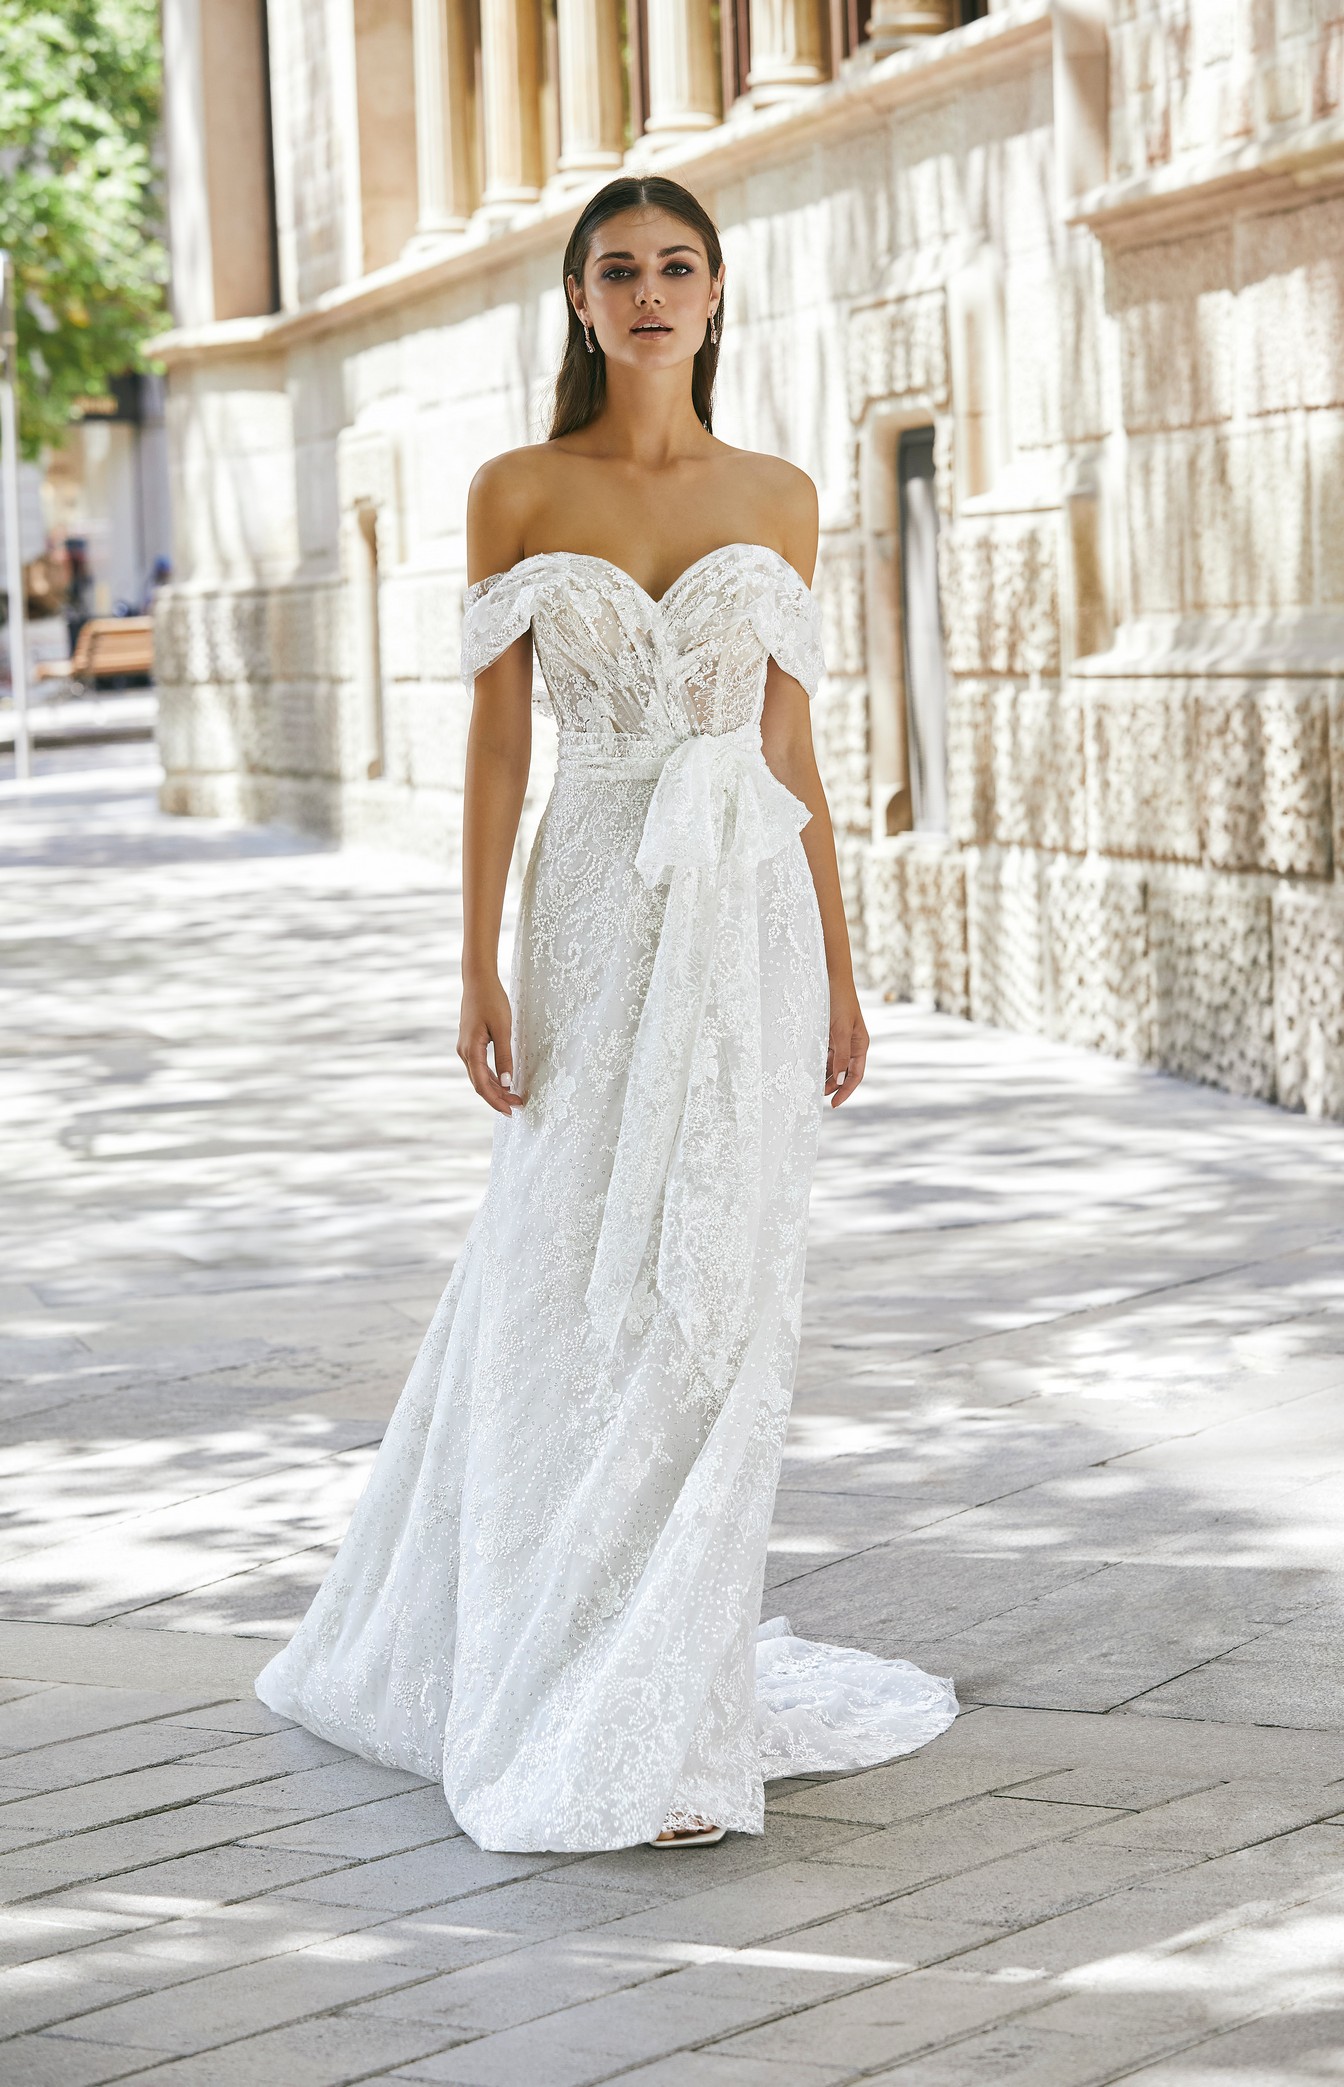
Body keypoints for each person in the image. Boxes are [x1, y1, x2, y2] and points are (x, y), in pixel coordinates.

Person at [257, 174, 956, 1852]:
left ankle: (668, 1689)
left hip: (747, 924)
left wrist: (845, 976)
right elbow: (500, 746)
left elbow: (791, 758)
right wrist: (475, 959)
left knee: (720, 1288)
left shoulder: (782, 495)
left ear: (719, 297)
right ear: (579, 302)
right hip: (589, 899)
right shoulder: (517, 487)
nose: (650, 293)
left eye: (679, 268)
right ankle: (544, 1637)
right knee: (568, 1272)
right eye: (619, 270)